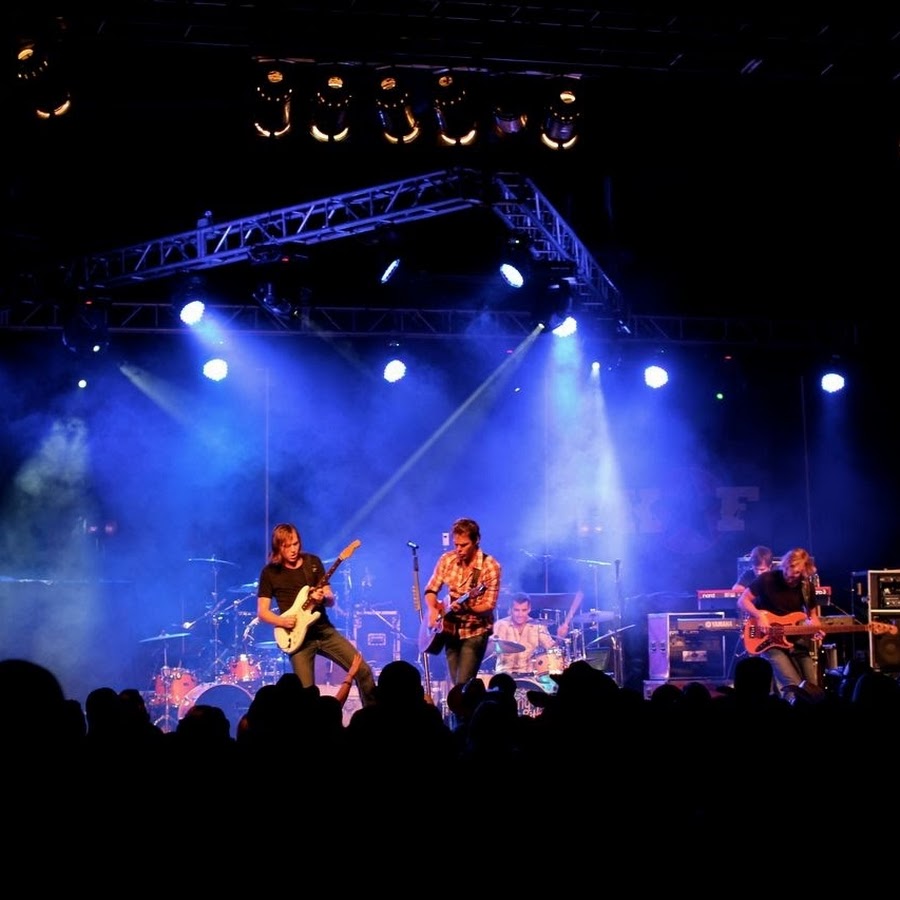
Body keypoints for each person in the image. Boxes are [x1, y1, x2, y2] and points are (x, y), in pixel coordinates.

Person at [255, 522, 376, 707]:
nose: (293, 550)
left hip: (324, 632)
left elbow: (330, 599)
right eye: (287, 546)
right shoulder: (270, 572)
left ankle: (374, 716)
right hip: (298, 640)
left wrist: (323, 598)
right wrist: (282, 621)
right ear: (278, 547)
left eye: (296, 544)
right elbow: (262, 612)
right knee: (306, 696)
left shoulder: (312, 563)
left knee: (364, 671)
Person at [423, 517, 502, 686]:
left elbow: (489, 606)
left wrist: (468, 608)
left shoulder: (490, 566)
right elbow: (431, 590)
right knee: (456, 685)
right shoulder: (447, 560)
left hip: (475, 631)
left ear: (476, 540)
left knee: (463, 684)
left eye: (464, 545)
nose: (459, 550)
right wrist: (433, 609)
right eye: (456, 545)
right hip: (450, 631)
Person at [736, 547, 823, 698]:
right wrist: (759, 616)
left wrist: (815, 628)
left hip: (796, 640)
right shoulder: (767, 579)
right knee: (793, 686)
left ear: (804, 570)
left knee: (812, 687)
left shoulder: (806, 586)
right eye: (787, 571)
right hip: (770, 640)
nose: (790, 577)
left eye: (796, 574)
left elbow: (813, 616)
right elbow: (743, 600)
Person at [491, 591, 560, 677]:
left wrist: (559, 637)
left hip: (529, 675)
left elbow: (551, 649)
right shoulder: (500, 625)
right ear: (510, 609)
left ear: (529, 609)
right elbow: (490, 648)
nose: (520, 614)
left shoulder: (537, 626)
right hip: (504, 675)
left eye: (524, 610)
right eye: (516, 610)